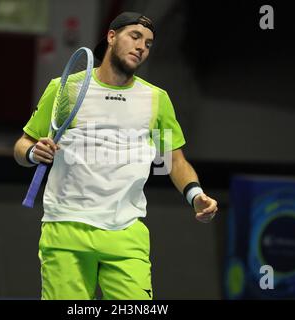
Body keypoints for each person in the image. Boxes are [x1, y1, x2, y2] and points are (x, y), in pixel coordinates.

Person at [13, 12, 218, 300]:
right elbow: (22, 146)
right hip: (66, 229)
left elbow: (176, 161)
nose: (141, 47)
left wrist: (195, 195)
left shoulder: (156, 100)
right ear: (111, 37)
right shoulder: (64, 90)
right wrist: (34, 152)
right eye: (135, 37)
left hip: (126, 234)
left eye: (148, 44)